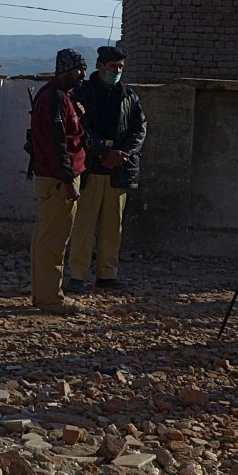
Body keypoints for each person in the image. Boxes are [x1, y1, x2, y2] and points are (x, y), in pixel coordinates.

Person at [66, 45, 147, 292]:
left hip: (118, 170)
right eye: (113, 66)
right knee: (84, 224)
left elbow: (139, 128)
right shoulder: (83, 94)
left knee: (113, 226)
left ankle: (107, 274)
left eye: (121, 67)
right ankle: (77, 275)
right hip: (91, 167)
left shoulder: (128, 96)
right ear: (100, 66)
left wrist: (123, 155)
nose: (117, 71)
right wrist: (103, 152)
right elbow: (81, 128)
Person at [29, 49, 88, 312]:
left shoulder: (60, 97)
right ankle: (51, 298)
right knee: (54, 240)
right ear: (66, 69)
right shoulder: (54, 98)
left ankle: (43, 293)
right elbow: (57, 143)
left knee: (45, 238)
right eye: (78, 69)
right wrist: (67, 179)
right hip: (57, 179)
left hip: (52, 177)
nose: (82, 75)